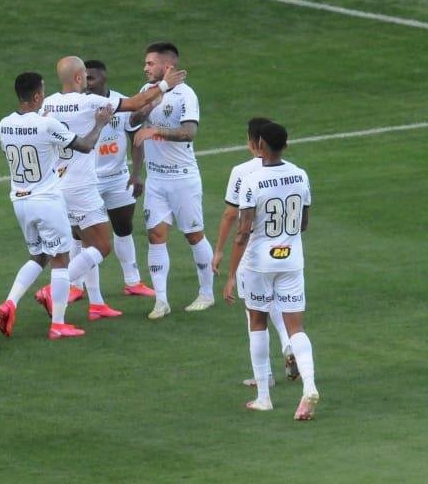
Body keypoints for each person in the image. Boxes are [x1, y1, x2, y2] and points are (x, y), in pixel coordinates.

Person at [34, 56, 186, 321]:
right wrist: (163, 84)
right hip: (82, 186)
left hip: (58, 184)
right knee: (102, 246)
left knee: (87, 243)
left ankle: (95, 303)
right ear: (79, 78)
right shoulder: (89, 101)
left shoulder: (47, 104)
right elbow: (136, 103)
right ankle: (53, 288)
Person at [0, 72, 114, 340]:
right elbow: (84, 146)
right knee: (60, 260)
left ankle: (10, 302)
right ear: (37, 97)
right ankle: (58, 324)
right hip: (46, 200)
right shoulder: (46, 125)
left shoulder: (4, 124)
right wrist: (99, 124)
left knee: (38, 256)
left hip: (20, 201)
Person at [223, 122, 319, 420]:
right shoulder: (300, 175)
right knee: (295, 327)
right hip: (292, 260)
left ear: (260, 145)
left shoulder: (253, 180)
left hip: (259, 263)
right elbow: (303, 223)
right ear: (285, 146)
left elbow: (242, 232)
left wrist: (230, 275)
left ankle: (264, 396)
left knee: (258, 321)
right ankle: (310, 385)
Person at [132, 42, 215, 319]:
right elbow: (133, 123)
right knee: (155, 236)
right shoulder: (148, 92)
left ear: (167, 66)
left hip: (183, 179)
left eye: (150, 63)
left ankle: (206, 294)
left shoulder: (186, 95)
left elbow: (189, 132)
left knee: (193, 235)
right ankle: (161, 301)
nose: (145, 68)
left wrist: (155, 130)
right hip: (156, 180)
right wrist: (137, 172)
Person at [213, 117, 298, 387]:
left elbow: (230, 216)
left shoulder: (242, 171)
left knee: (255, 314)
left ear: (254, 142)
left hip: (253, 255)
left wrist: (219, 252)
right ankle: (288, 345)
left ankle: (265, 378)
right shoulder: (293, 171)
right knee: (280, 306)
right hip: (286, 252)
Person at [84, 59, 155, 298]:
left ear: (104, 78)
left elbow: (135, 140)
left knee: (124, 228)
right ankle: (75, 287)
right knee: (82, 234)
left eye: (91, 78)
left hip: (117, 179)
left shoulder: (121, 103)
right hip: (87, 181)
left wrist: (136, 174)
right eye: (84, 78)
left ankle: (132, 281)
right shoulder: (80, 105)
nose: (87, 83)